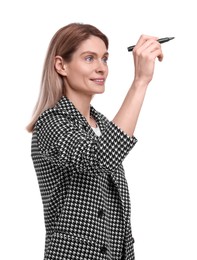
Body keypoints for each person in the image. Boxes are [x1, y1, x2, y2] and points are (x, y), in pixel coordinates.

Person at [26, 22, 163, 260]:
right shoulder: (50, 123)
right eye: (89, 58)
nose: (102, 68)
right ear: (61, 65)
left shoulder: (102, 125)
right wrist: (140, 82)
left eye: (105, 59)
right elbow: (101, 156)